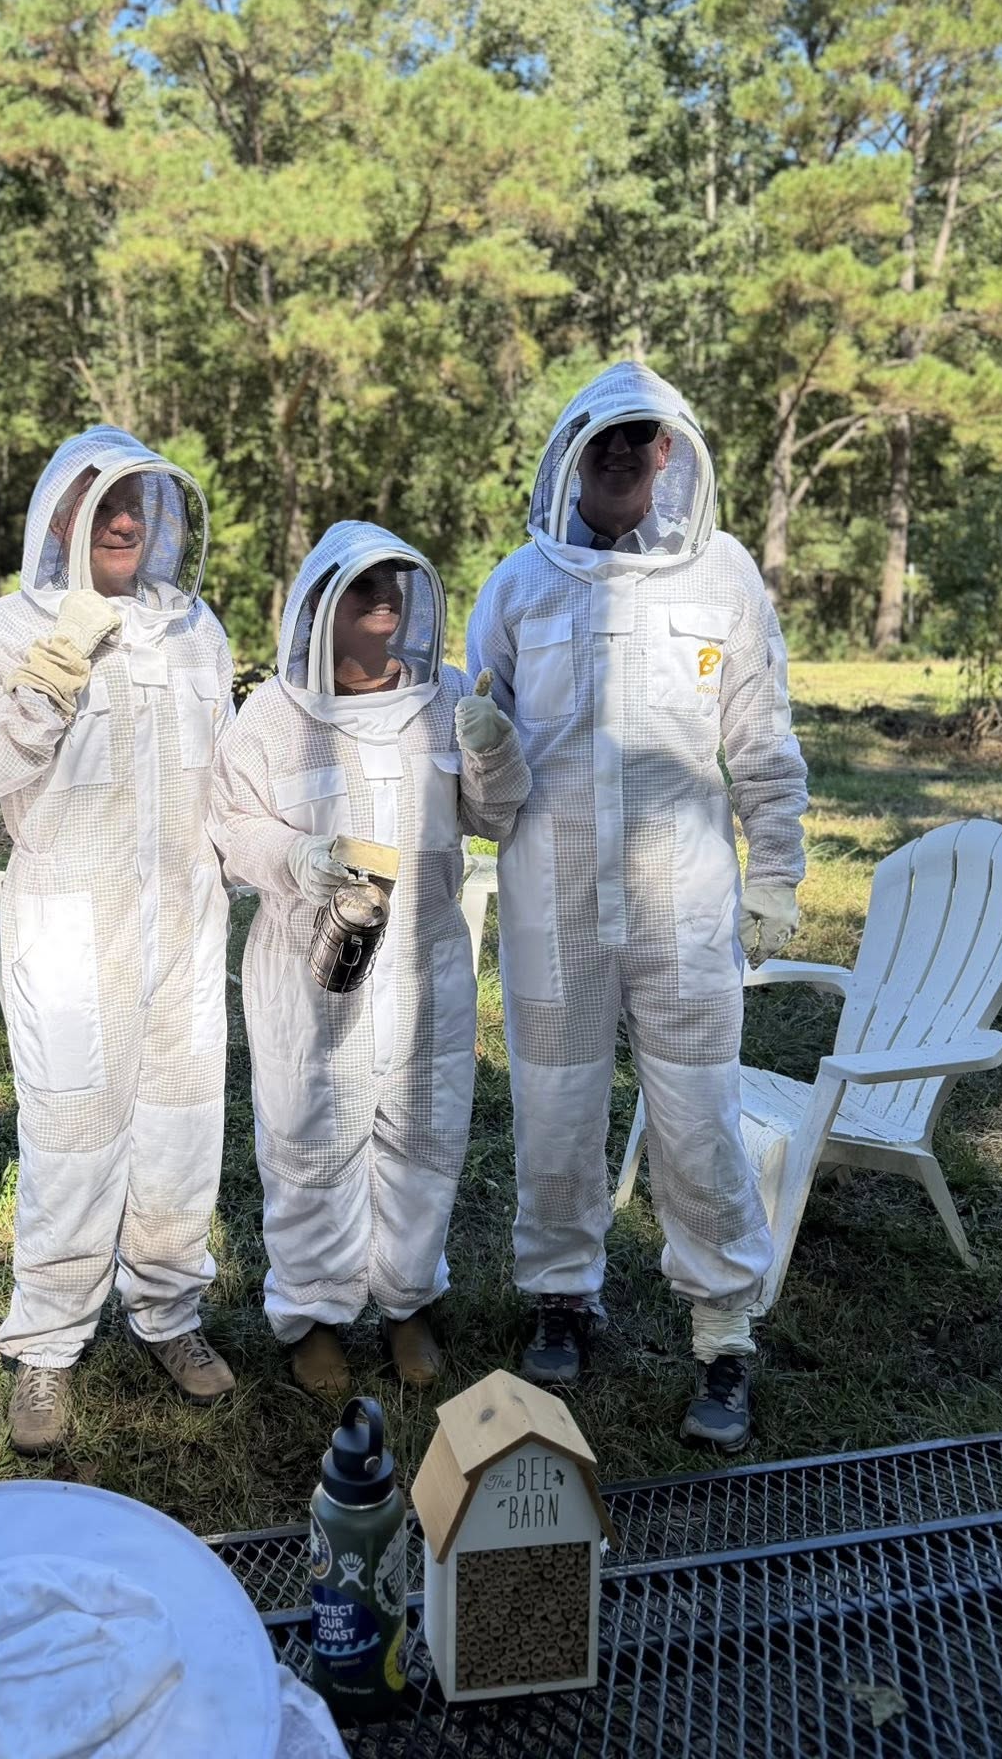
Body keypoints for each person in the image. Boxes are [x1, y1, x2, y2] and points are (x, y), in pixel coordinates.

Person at [466, 362, 808, 1449]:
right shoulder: (520, 585)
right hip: (552, 904)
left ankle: (724, 1334)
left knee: (700, 1119)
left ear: (670, 451)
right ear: (572, 452)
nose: (619, 454)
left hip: (683, 905)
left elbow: (761, 733)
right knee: (555, 1112)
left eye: (639, 437)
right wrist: (478, 757)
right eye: (602, 439)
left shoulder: (724, 576)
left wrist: (778, 865)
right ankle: (562, 1297)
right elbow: (482, 780)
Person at [0, 426, 236, 1451]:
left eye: (137, 504)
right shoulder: (10, 625)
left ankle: (169, 1310)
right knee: (71, 1135)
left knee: (181, 1127)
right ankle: (47, 1346)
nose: (122, 521)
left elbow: (223, 773)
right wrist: (52, 673)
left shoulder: (194, 628)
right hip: (72, 925)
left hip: (187, 923)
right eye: (101, 503)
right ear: (61, 516)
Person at [209, 524, 530, 1396]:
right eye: (362, 585)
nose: (384, 596)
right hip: (312, 968)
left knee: (424, 1132)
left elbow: (493, 816)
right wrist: (295, 857)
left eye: (396, 580)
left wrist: (494, 750)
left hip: (425, 961)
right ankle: (313, 1313)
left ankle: (407, 1299)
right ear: (320, 607)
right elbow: (232, 824)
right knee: (310, 1138)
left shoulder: (446, 695)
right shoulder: (274, 716)